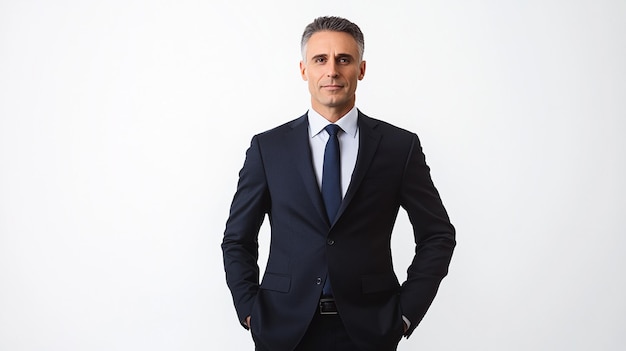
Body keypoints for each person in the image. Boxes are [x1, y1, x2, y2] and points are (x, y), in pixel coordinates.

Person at [222, 16, 456, 351]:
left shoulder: (398, 147)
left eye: (343, 59)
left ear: (361, 69)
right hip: (284, 329)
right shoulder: (268, 148)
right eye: (320, 60)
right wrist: (249, 310)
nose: (332, 70)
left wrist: (405, 314)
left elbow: (438, 235)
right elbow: (237, 239)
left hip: (368, 330)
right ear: (304, 70)